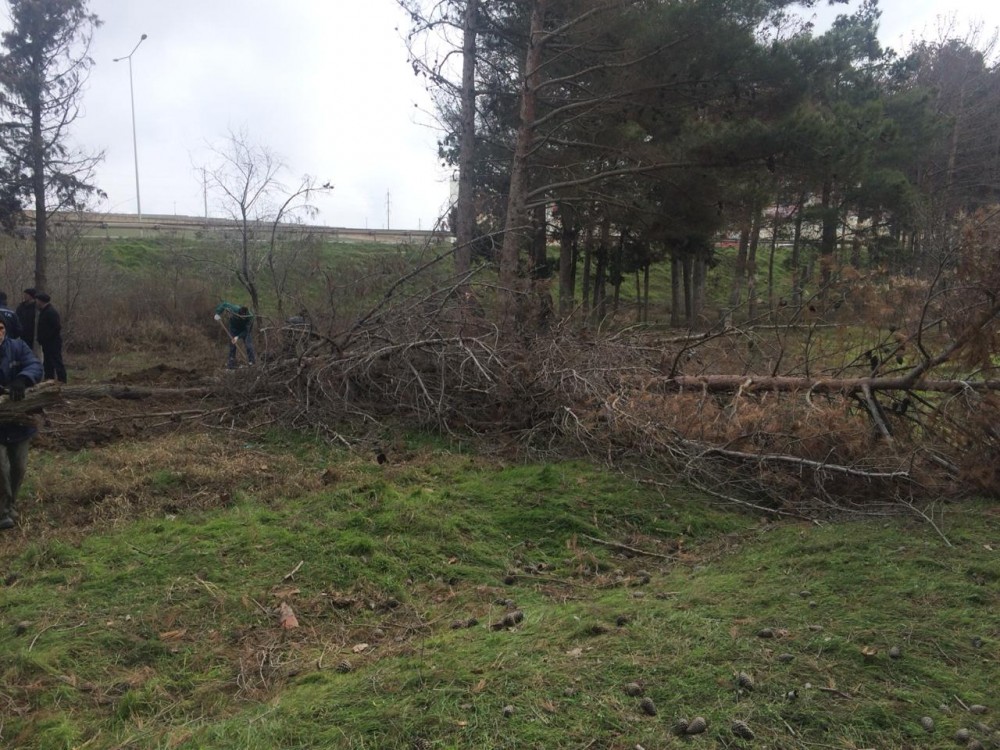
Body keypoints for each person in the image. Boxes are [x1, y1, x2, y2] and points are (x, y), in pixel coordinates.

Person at [0, 318, 43, 530]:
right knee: (1, 467)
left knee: (18, 466)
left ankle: (10, 503)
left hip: (18, 422)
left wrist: (23, 379)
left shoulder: (18, 347)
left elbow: (35, 365)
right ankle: (3, 512)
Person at [34, 292, 66, 383]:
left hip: (53, 343)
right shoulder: (44, 311)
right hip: (46, 343)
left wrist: (47, 337)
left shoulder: (50, 312)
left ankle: (62, 380)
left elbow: (56, 327)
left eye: (37, 300)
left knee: (56, 361)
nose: (36, 302)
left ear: (41, 301)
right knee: (47, 363)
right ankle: (49, 380)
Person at [214, 301, 256, 368]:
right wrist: (218, 313)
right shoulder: (234, 309)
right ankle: (231, 363)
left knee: (248, 345)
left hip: (244, 330)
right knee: (232, 346)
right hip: (233, 329)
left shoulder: (250, 318)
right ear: (239, 313)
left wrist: (238, 337)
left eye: (243, 317)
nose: (242, 318)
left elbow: (247, 331)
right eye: (241, 316)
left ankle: (252, 363)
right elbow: (224, 304)